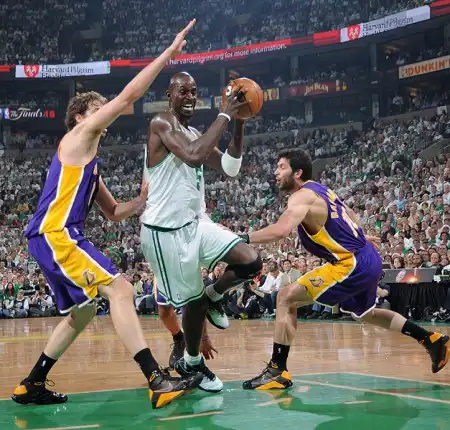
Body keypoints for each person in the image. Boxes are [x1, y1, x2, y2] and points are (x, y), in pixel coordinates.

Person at [12, 20, 202, 410]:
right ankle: (156, 379)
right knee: (122, 290)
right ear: (80, 118)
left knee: (82, 313)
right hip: (56, 233)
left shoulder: (90, 163)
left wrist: (144, 199)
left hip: (52, 237)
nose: (106, 113)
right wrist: (169, 53)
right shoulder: (77, 137)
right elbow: (131, 94)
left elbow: (114, 212)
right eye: (98, 109)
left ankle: (32, 384)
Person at [240, 149, 450, 390]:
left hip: (350, 263)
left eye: (281, 167)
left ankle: (277, 370)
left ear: (297, 173)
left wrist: (242, 238)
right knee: (367, 313)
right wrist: (359, 235)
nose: (275, 172)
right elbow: (348, 212)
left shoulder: (301, 196)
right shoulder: (322, 190)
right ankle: (431, 339)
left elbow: (281, 230)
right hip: (367, 257)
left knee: (286, 298)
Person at [140, 72, 262, 389]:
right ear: (169, 94)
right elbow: (194, 156)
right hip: (165, 232)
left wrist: (239, 122)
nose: (190, 96)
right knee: (192, 304)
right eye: (183, 91)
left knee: (250, 261)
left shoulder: (194, 132)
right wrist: (225, 114)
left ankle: (214, 294)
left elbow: (231, 168)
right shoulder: (161, 123)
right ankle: (192, 362)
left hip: (195, 223)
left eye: (194, 91)